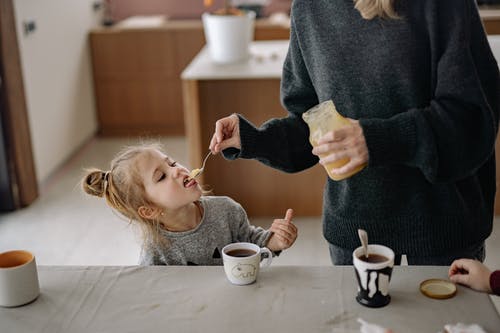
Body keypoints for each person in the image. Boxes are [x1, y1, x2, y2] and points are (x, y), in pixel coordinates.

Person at [209, 0, 500, 265]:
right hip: (353, 240)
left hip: (442, 235)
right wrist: (255, 139)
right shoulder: (308, 8)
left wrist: (376, 141)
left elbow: (472, 120)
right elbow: (310, 126)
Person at [82, 143, 297, 265]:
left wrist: (274, 241)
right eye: (162, 177)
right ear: (150, 210)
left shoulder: (227, 210)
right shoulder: (155, 252)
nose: (177, 170)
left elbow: (250, 242)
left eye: (172, 163)